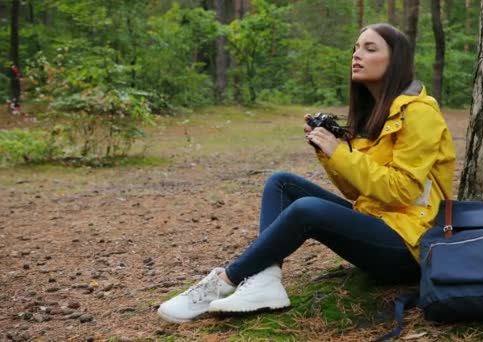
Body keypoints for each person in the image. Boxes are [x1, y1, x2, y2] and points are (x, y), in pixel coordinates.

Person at [157, 23, 455, 323]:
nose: (356, 55)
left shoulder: (419, 112)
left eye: (370, 48)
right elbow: (357, 191)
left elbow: (401, 190)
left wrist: (339, 152)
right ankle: (264, 281)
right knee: (281, 184)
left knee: (307, 210)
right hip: (377, 223)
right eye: (355, 47)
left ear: (396, 60)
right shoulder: (374, 112)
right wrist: (327, 153)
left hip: (410, 244)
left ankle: (223, 283)